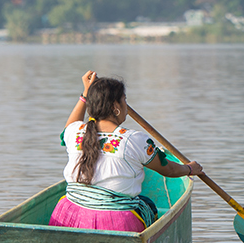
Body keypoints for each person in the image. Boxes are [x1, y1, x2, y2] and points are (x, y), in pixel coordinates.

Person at [50, 71, 203, 233]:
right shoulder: (135, 140)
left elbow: (70, 124)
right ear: (116, 107)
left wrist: (85, 94)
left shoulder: (74, 132)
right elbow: (169, 169)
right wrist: (190, 169)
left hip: (67, 216)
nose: (126, 106)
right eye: (124, 100)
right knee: (147, 205)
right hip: (115, 221)